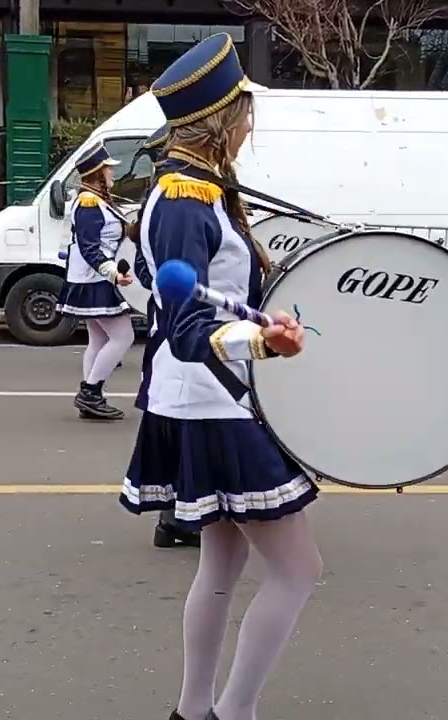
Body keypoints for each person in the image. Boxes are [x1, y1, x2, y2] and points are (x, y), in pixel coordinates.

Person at [117, 34, 314, 720]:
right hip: (211, 403)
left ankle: (195, 711)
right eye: (246, 109)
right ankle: (232, 712)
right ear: (223, 118)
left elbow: (195, 293)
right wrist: (263, 342)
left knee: (223, 567)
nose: (251, 122)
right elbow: (183, 327)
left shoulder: (199, 189)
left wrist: (263, 316)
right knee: (298, 570)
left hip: (210, 398)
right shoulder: (181, 200)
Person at [126, 124, 201, 548]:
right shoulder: (172, 201)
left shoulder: (153, 203)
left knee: (173, 428)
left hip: (164, 329)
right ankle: (181, 518)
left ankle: (174, 519)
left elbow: (142, 268)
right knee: (183, 428)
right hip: (175, 333)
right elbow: (145, 269)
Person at [57, 140, 137, 420]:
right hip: (96, 280)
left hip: (91, 279)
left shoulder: (97, 200)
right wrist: (113, 273)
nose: (112, 174)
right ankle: (90, 392)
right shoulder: (89, 203)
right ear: (97, 173)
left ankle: (91, 398)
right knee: (123, 336)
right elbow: (90, 248)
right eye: (108, 170)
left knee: (99, 339)